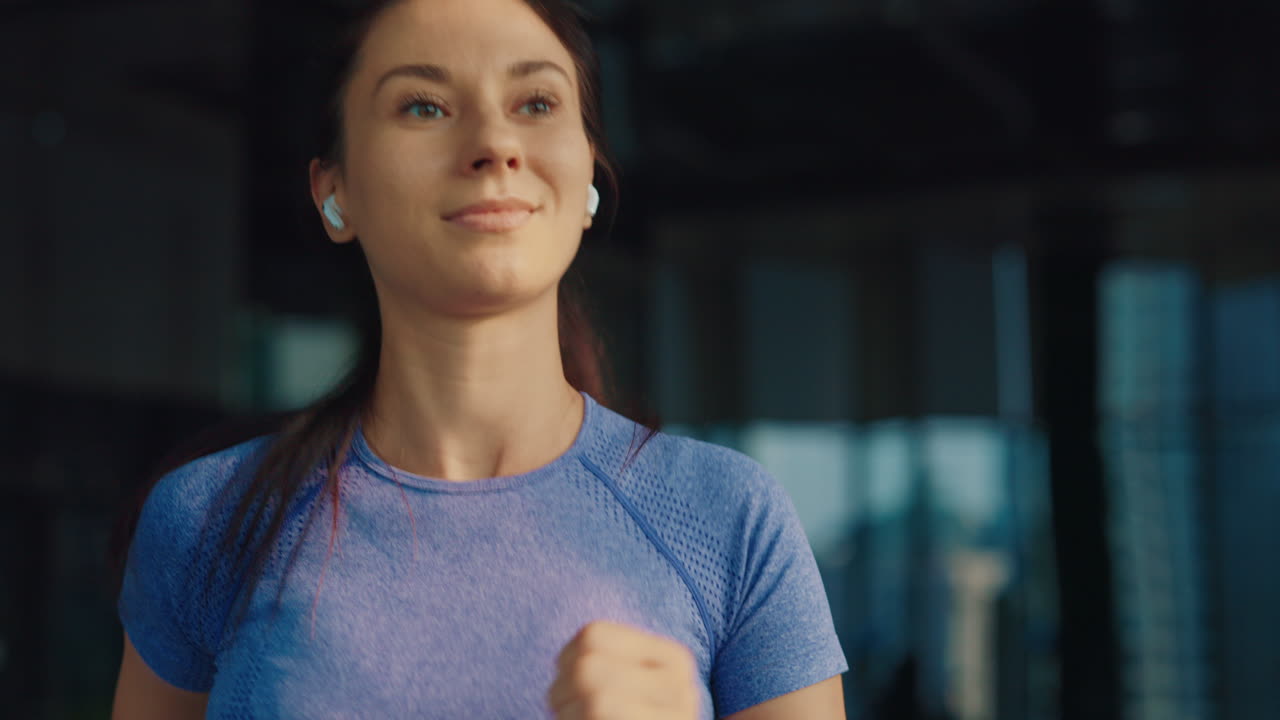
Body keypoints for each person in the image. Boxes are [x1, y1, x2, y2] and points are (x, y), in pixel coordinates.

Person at [110, 0, 848, 717]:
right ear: (335, 192)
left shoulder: (729, 519)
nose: (495, 143)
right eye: (424, 106)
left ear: (588, 176)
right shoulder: (210, 518)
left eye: (535, 103)